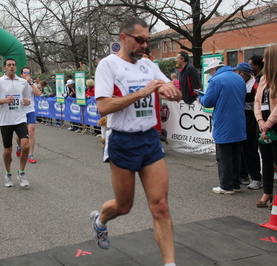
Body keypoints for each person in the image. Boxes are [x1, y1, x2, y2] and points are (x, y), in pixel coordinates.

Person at [92, 17, 182, 266]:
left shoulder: (149, 65)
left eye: (148, 40)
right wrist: (141, 92)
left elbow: (171, 88)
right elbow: (102, 107)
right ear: (123, 38)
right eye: (140, 40)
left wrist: (171, 91)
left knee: (161, 206)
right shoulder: (108, 65)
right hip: (122, 140)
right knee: (124, 206)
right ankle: (100, 220)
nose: (145, 45)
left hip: (150, 140)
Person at [197, 59, 246, 194]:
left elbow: (208, 102)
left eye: (210, 72)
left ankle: (226, 186)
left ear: (214, 70)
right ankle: (236, 184)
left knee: (224, 156)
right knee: (236, 155)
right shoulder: (239, 78)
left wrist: (199, 98)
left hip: (224, 122)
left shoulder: (216, 80)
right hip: (239, 122)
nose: (211, 74)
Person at [0, 58, 32, 187]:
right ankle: (8, 173)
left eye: (13, 65)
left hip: (20, 118)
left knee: (26, 145)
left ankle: (21, 172)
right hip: (5, 120)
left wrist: (27, 102)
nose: (11, 67)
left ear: (16, 68)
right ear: (4, 68)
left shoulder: (23, 82)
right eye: (8, 65)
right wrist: (3, 101)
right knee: (7, 151)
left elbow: (28, 99)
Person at [232, 62, 262, 189]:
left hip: (251, 117)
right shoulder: (244, 83)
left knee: (250, 148)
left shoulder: (254, 85)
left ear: (242, 74)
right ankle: (243, 174)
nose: (235, 74)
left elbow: (256, 104)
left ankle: (256, 177)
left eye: (237, 72)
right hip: (243, 116)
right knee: (242, 147)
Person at [254, 44, 277, 208]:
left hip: (274, 125)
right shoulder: (263, 78)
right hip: (262, 125)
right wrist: (260, 121)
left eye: (265, 57)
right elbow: (257, 101)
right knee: (266, 161)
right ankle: (267, 192)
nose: (263, 60)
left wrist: (268, 124)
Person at [14, 66, 42, 164]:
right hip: (20, 111)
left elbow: (38, 94)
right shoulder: (17, 84)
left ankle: (30, 155)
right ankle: (19, 146)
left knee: (30, 133)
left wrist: (30, 83)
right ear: (21, 75)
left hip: (30, 110)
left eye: (28, 73)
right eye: (25, 73)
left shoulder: (32, 84)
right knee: (19, 136)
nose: (27, 74)